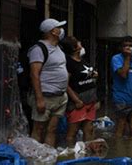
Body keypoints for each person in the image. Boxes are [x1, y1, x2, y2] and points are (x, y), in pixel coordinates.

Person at [27, 18, 68, 147]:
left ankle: (48, 157)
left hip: (60, 97)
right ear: (53, 31)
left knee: (52, 129)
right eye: (59, 27)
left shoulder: (58, 48)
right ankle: (34, 158)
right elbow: (34, 74)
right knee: (38, 129)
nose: (62, 30)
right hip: (45, 96)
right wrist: (39, 99)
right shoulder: (38, 49)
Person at [61, 36, 98, 147]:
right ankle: (71, 153)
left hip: (90, 102)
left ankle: (87, 153)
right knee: (73, 131)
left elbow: (92, 75)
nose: (81, 43)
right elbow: (65, 84)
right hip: (78, 103)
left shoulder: (83, 60)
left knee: (89, 129)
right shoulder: (69, 63)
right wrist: (76, 100)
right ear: (74, 48)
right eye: (78, 42)